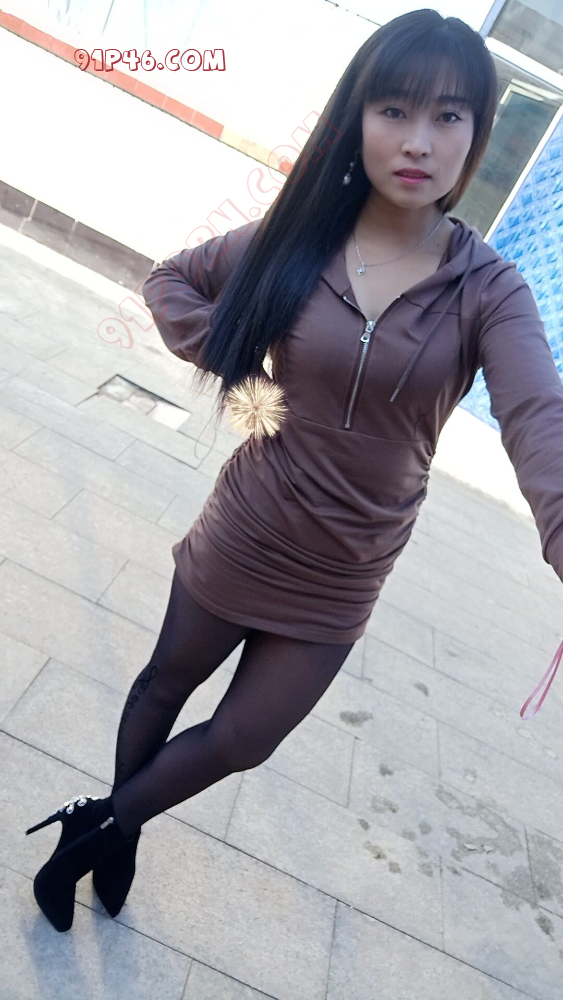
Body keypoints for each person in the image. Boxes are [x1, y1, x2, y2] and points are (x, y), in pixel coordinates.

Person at [25, 7, 563, 933]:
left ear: (477, 134)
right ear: (357, 119)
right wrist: (240, 367)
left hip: (345, 568)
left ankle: (101, 819)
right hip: (250, 524)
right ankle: (119, 835)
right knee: (163, 684)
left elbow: (537, 416)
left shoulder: (487, 291)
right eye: (394, 110)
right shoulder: (299, 236)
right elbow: (171, 280)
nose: (418, 140)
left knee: (244, 738)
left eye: (448, 116)